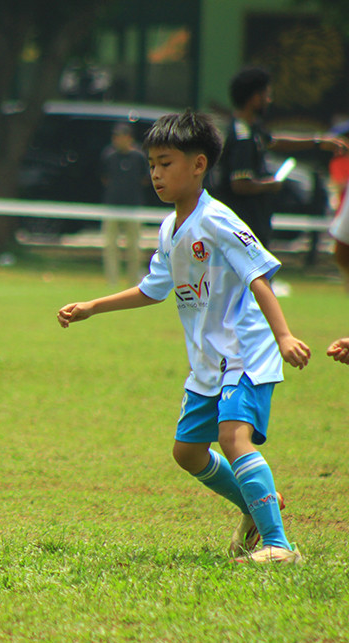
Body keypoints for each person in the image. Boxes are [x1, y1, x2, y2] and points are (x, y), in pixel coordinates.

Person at [58, 110, 311, 565]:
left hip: (244, 352)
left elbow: (259, 277)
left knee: (234, 439)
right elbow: (154, 288)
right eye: (151, 164)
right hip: (206, 361)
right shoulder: (170, 227)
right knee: (188, 453)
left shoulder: (217, 220)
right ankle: (256, 510)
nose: (155, 173)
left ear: (198, 165)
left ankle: (279, 545)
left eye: (165, 163)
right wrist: (93, 307)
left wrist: (284, 335)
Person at [214, 66, 348, 251]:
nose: (269, 101)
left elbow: (275, 141)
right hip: (241, 228)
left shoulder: (253, 129)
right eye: (266, 95)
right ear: (255, 98)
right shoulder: (242, 136)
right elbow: (240, 183)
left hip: (250, 226)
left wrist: (317, 142)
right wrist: (271, 185)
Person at [99, 122, 149, 285]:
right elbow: (104, 178)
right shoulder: (109, 156)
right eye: (115, 137)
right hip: (112, 207)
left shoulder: (139, 157)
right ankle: (112, 281)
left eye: (121, 137)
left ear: (129, 138)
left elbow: (144, 179)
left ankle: (133, 282)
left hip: (133, 208)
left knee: (134, 247)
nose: (117, 140)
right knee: (110, 246)